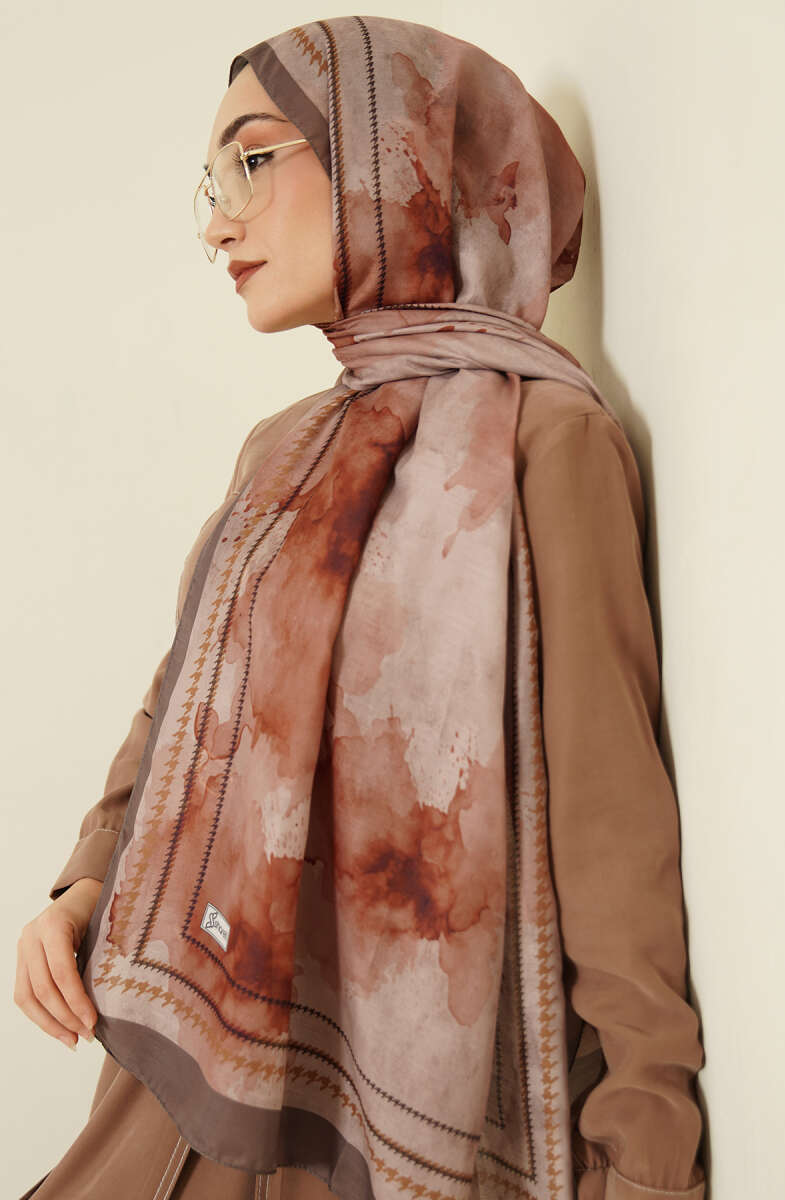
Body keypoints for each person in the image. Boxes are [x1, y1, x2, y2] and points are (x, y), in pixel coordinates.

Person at [15, 16, 707, 1200]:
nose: (216, 221)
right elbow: (182, 701)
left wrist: (646, 1159)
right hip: (172, 1088)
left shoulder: (547, 446)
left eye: (250, 160)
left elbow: (609, 829)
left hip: (378, 1143)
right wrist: (82, 884)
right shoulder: (281, 450)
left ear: (400, 161)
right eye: (209, 186)